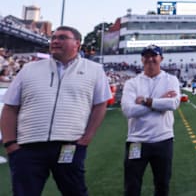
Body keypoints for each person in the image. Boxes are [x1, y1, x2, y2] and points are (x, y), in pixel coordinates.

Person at [0, 26, 112, 196]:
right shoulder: (30, 69)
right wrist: (10, 143)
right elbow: (10, 107)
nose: (55, 41)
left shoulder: (94, 70)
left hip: (70, 144)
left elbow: (100, 105)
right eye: (53, 38)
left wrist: (86, 139)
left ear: (77, 44)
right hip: (28, 146)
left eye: (62, 38)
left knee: (75, 192)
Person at [121, 44, 181, 196]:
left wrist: (147, 101)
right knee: (131, 186)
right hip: (137, 139)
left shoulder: (170, 79)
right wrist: (159, 102)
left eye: (154, 55)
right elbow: (129, 110)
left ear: (161, 58)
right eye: (146, 56)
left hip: (163, 139)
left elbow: (173, 104)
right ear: (142, 59)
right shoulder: (132, 83)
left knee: (162, 185)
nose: (150, 59)